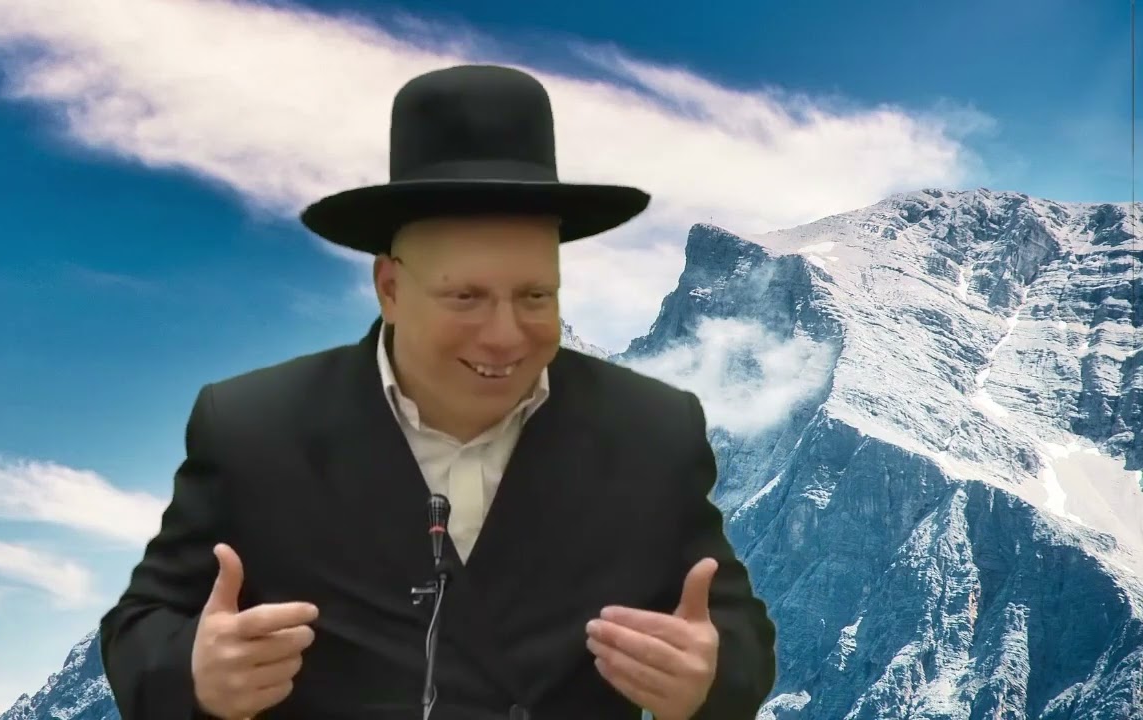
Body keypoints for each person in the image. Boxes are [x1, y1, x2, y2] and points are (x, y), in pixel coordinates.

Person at [98, 63, 777, 720]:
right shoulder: (252, 428)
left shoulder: (653, 430)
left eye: (535, 296)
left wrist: (709, 678)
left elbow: (734, 629)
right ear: (390, 287)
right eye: (466, 298)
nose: (505, 336)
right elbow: (142, 623)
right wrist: (195, 673)